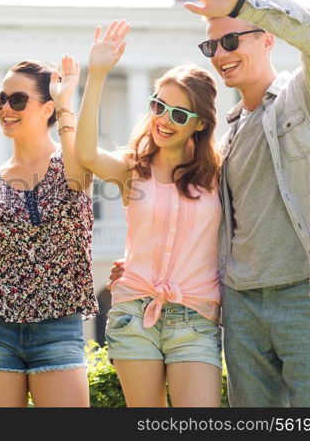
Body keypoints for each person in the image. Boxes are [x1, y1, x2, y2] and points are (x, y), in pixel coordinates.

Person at [169, 0, 310, 406]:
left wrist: (245, 5)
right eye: (212, 45)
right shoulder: (227, 135)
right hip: (243, 306)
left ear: (268, 39)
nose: (221, 53)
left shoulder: (305, 100)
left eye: (232, 39)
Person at [76, 21, 223, 407]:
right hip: (133, 313)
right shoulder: (132, 168)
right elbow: (87, 154)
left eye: (178, 114)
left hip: (195, 317)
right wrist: (97, 74)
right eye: (159, 106)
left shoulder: (220, 174)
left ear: (200, 123)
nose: (163, 119)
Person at [0, 57, 98, 407]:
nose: (5, 108)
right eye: (0, 100)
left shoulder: (75, 162)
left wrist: (67, 102)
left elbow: (78, 176)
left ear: (47, 108)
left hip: (58, 324)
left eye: (18, 100)